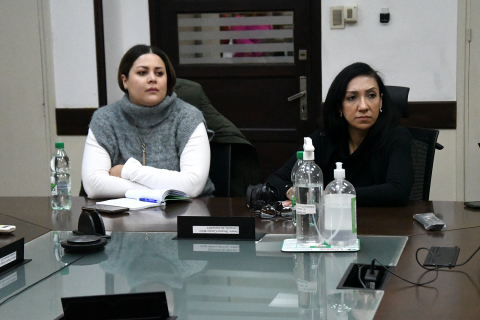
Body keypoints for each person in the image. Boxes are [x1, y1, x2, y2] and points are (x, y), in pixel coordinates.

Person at [266, 62, 414, 207]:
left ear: (381, 101)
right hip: (332, 226)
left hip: (383, 225)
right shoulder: (324, 138)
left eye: (371, 95)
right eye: (352, 98)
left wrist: (329, 196)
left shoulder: (396, 136)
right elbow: (275, 179)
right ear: (339, 106)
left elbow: (398, 191)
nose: (363, 106)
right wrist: (294, 193)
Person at [82, 44, 214, 199]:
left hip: (184, 214)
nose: (152, 79)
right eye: (142, 72)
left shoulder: (188, 117)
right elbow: (94, 186)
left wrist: (127, 171)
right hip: (122, 217)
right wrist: (166, 189)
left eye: (159, 73)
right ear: (125, 81)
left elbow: (192, 186)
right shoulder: (105, 119)